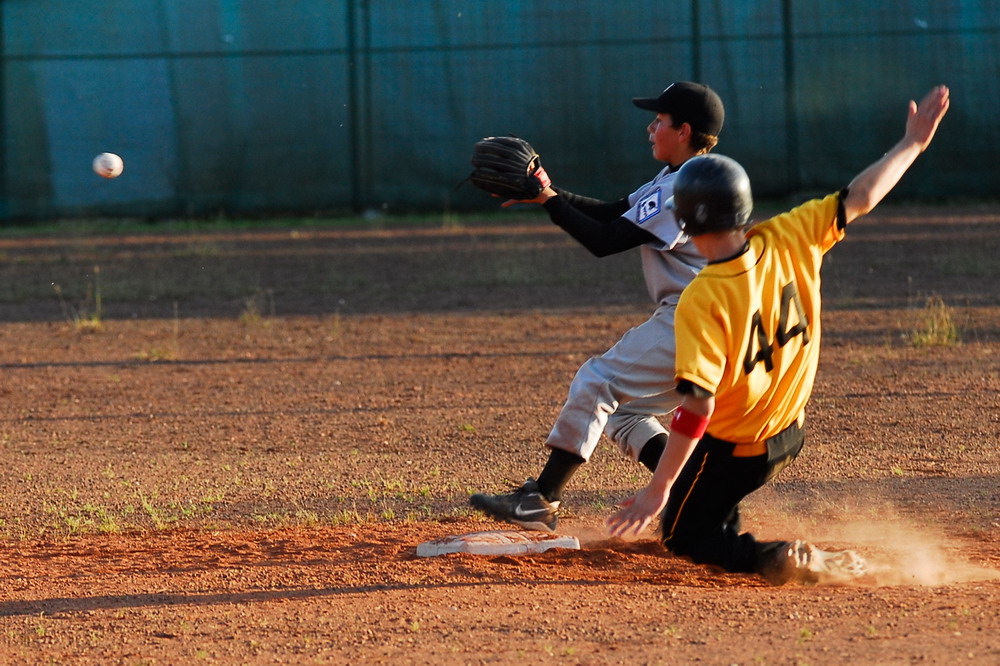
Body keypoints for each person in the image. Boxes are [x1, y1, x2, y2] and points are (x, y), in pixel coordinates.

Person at [606, 85, 951, 585]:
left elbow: (697, 409)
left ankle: (784, 557)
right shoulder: (789, 234)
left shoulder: (703, 297)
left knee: (682, 535)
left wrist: (657, 490)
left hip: (738, 447)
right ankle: (718, 509)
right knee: (706, 493)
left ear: (684, 221)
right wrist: (911, 145)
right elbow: (862, 195)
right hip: (790, 429)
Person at [470, 81, 725, 531]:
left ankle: (541, 498)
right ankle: (693, 498)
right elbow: (611, 213)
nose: (650, 128)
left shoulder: (683, 188)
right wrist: (546, 192)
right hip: (713, 320)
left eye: (659, 121)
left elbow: (605, 241)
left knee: (597, 381)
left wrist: (550, 202)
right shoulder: (682, 176)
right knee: (626, 412)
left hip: (695, 317)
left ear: (683, 130)